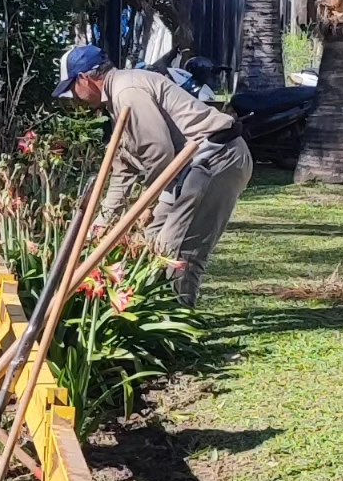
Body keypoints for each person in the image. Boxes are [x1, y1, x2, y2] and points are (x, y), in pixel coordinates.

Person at [55, 45, 253, 307]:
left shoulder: (127, 93)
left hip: (216, 159)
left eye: (72, 89)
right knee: (151, 242)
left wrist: (147, 205)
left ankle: (179, 326)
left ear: (85, 78)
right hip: (191, 168)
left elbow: (158, 153)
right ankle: (157, 313)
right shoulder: (118, 98)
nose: (74, 99)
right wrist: (103, 221)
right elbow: (123, 166)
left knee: (178, 250)